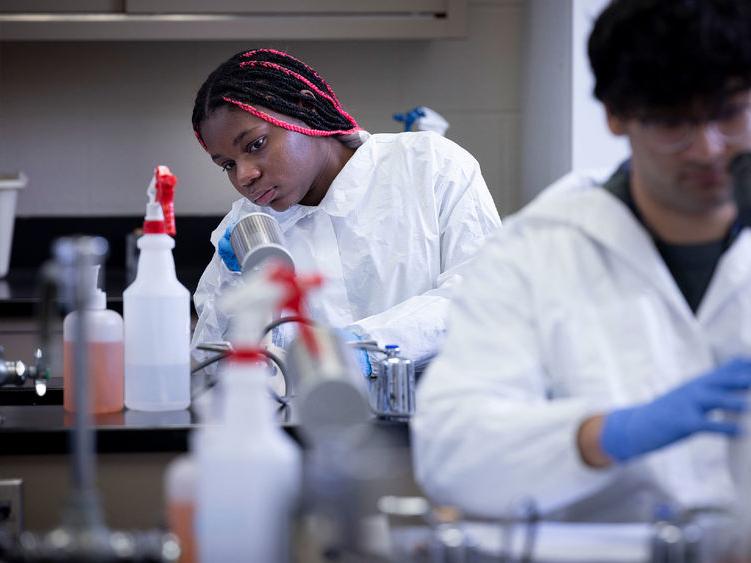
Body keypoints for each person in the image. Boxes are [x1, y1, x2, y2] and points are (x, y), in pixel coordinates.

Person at [413, 0, 751, 523]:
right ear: (616, 116)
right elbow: (452, 455)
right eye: (671, 122)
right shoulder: (533, 255)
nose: (708, 149)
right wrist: (602, 436)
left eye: (729, 113)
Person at [190, 48, 501, 375]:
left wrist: (363, 346)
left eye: (255, 144)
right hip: (306, 422)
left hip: (435, 415)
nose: (244, 176)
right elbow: (213, 365)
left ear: (304, 107)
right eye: (227, 165)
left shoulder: (429, 166)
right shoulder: (246, 226)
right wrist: (233, 281)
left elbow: (478, 298)